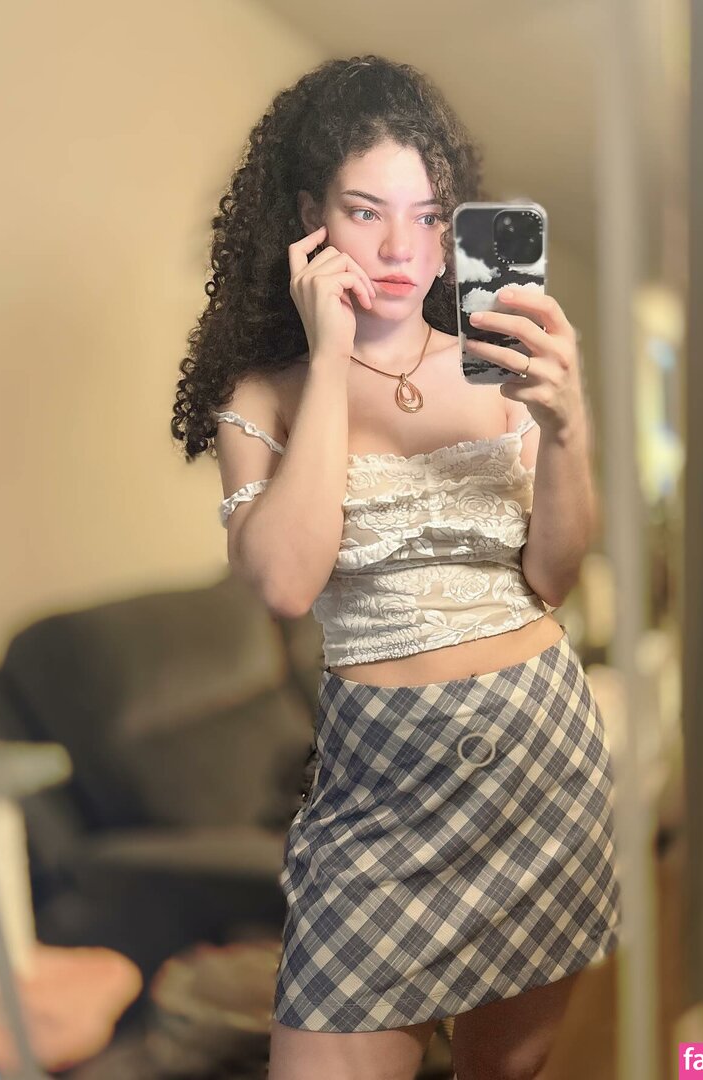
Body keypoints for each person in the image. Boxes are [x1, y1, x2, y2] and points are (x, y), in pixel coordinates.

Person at [171, 54, 621, 1080]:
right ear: (309, 217)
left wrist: (568, 427)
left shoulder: (500, 366)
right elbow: (286, 583)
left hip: (542, 768)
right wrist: (331, 357)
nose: (398, 248)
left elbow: (553, 577)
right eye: (366, 211)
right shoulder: (267, 391)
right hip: (377, 806)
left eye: (427, 217)